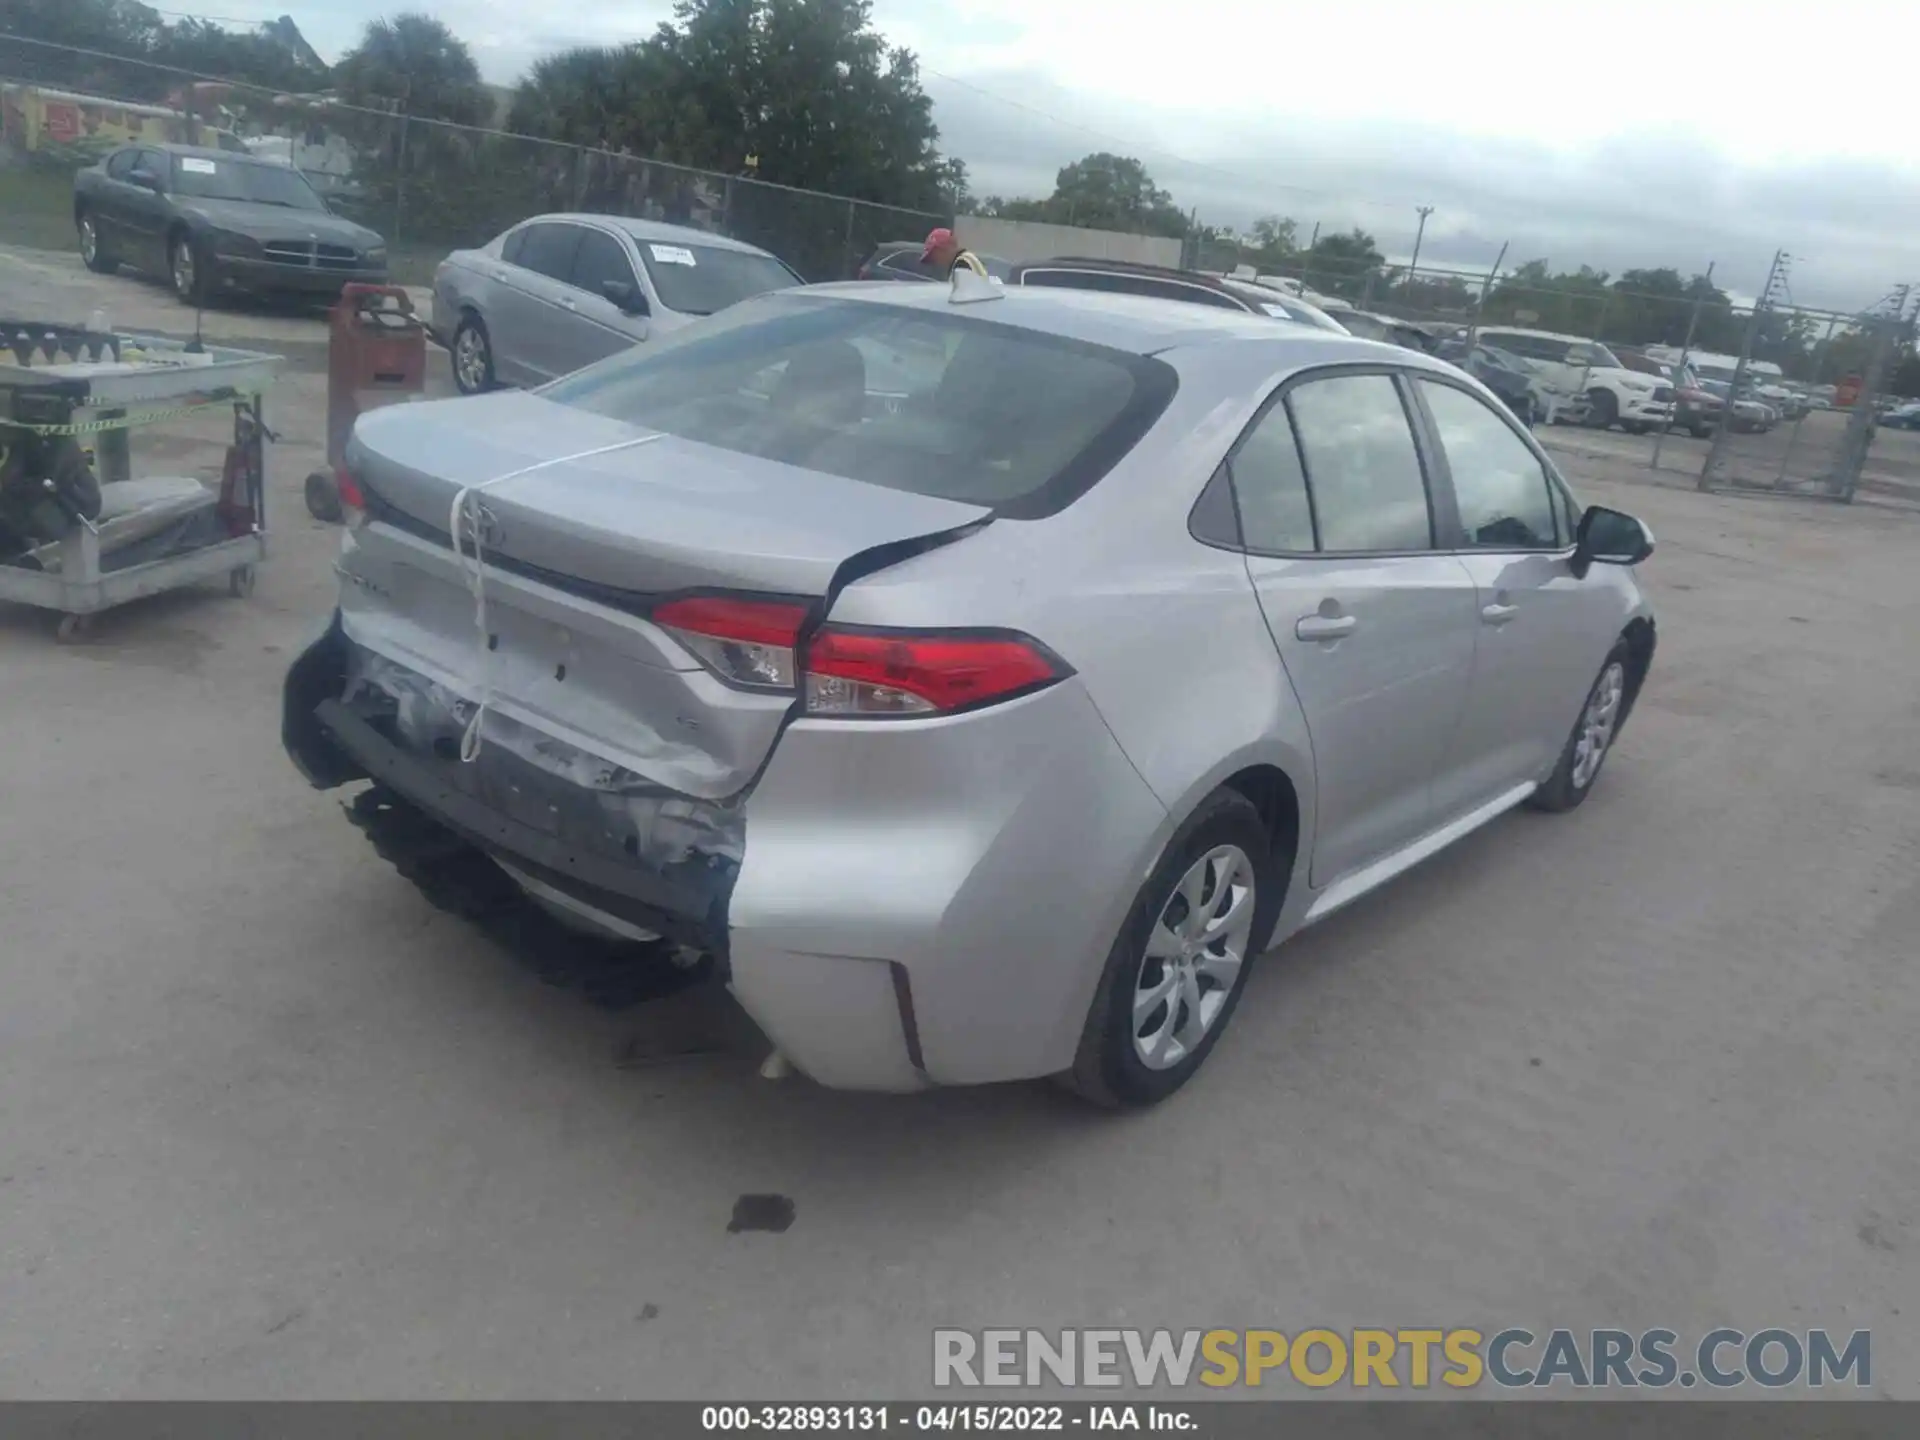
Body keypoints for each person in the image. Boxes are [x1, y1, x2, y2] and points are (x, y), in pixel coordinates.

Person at [921, 227, 988, 280]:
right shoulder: (966, 259)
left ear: (944, 248)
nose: (935, 262)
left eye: (933, 256)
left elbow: (964, 295)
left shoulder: (961, 265)